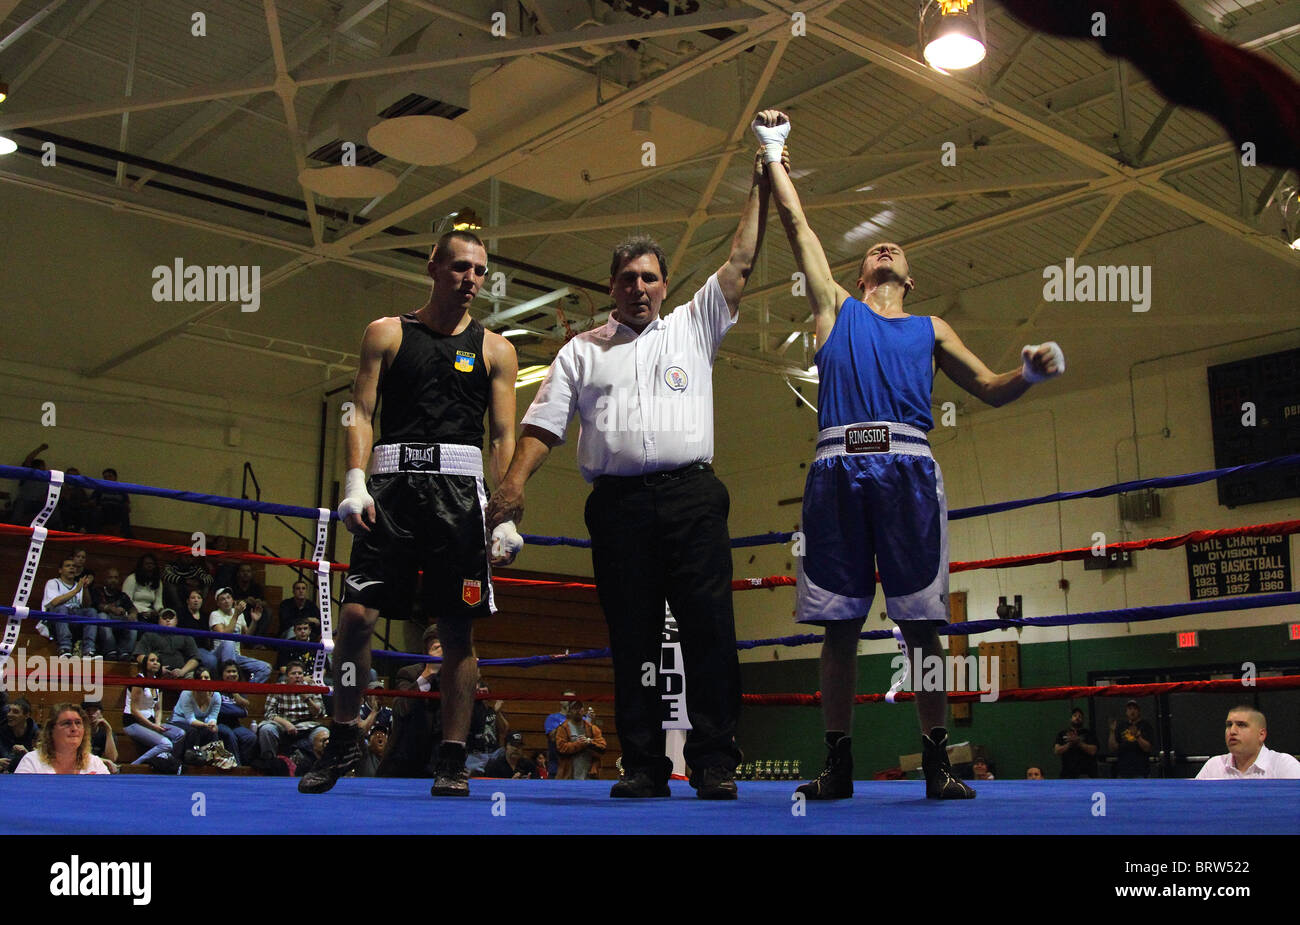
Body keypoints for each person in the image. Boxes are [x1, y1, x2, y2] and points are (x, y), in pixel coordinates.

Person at [754, 109, 1066, 802]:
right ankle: (837, 762)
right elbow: (798, 228)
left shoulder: (931, 326)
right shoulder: (834, 308)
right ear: (860, 271)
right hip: (836, 468)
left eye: (896, 248)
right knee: (838, 625)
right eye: (874, 249)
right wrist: (775, 151)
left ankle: (936, 761)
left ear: (911, 277)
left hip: (908, 472)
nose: (886, 248)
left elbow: (987, 386)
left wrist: (1033, 375)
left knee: (924, 624)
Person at [487, 150, 776, 801]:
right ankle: (644, 762)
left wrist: (762, 179)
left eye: (649, 277)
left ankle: (713, 760)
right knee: (634, 638)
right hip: (618, 508)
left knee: (709, 630)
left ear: (665, 285)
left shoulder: (694, 327)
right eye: (627, 278)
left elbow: (741, 260)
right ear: (611, 287)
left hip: (693, 498)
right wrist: (511, 486)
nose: (638, 286)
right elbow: (543, 426)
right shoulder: (582, 351)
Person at [303, 228, 519, 797]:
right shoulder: (387, 333)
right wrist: (355, 482)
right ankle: (345, 736)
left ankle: (453, 756)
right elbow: (360, 410)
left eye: (478, 270)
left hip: (460, 497)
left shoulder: (497, 349)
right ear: (433, 266)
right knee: (355, 619)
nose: (470, 279)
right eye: (459, 268)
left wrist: (506, 512)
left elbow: (502, 434)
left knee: (457, 631)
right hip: (393, 489)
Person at [378, 625, 444, 779]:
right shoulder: (409, 673)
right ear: (426, 651)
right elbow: (401, 709)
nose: (443, 653)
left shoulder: (455, 677)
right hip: (404, 762)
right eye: (437, 647)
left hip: (439, 764)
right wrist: (428, 674)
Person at [1195, 706, 1300, 779]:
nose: (1232, 731)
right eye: (1229, 725)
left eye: (1241, 725)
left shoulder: (1284, 765)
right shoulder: (1214, 766)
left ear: (1261, 735)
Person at [256, 660, 326, 768]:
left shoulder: (312, 687)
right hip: (283, 724)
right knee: (266, 729)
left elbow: (320, 713)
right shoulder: (277, 688)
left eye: (300, 673)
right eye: (293, 674)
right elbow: (269, 713)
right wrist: (286, 723)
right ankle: (270, 764)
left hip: (307, 725)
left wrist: (307, 699)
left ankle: (322, 768)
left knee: (324, 733)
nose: (297, 676)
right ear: (287, 676)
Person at [123, 652, 186, 765]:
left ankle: (167, 762)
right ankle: (135, 766)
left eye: (157, 661)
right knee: (166, 744)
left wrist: (157, 723)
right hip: (133, 723)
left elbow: (158, 709)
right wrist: (153, 726)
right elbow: (134, 710)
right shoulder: (139, 680)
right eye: (152, 660)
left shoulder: (158, 682)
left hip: (151, 722)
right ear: (145, 663)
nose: (155, 663)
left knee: (180, 733)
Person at [14, 703, 111, 774]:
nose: (74, 729)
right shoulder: (31, 761)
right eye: (67, 723)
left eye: (78, 723)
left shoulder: (95, 764)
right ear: (51, 730)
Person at [208, 587, 272, 683]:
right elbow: (225, 635)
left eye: (228, 597)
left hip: (236, 656)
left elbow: (246, 637)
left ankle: (244, 691)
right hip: (219, 655)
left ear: (233, 600)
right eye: (222, 599)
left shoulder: (239, 614)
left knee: (266, 668)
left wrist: (254, 621)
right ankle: (229, 683)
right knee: (229, 642)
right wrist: (236, 615)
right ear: (218, 603)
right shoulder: (215, 614)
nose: (226, 601)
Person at [42, 555, 100, 657]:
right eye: (68, 566)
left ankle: (89, 650)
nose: (72, 568)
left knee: (91, 611)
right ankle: (65, 648)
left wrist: (85, 588)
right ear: (60, 570)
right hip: (54, 622)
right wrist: (76, 591)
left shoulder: (78, 585)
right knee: (61, 608)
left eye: (74, 566)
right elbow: (54, 602)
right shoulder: (53, 582)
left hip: (74, 620)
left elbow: (86, 605)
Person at [132, 608, 201, 678]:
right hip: (155, 673)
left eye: (171, 618)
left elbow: (195, 658)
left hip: (182, 673)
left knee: (195, 676)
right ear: (159, 621)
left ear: (176, 621)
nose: (168, 620)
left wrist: (182, 671)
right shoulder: (149, 635)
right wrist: (157, 668)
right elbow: (139, 655)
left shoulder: (185, 635)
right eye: (164, 618)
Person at [92, 567, 140, 661]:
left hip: (119, 621)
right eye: (110, 577)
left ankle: (125, 652)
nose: (113, 580)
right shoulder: (97, 591)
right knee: (102, 616)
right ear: (104, 579)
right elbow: (98, 606)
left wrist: (133, 614)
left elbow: (133, 609)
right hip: (104, 621)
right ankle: (110, 651)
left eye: (116, 578)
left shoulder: (122, 595)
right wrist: (111, 609)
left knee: (134, 621)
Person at [216, 660, 257, 765]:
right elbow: (220, 711)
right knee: (229, 735)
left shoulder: (240, 689)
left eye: (234, 672)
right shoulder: (216, 688)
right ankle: (236, 768)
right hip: (218, 723)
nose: (232, 674)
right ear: (222, 674)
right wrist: (236, 710)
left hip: (235, 724)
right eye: (228, 671)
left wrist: (234, 691)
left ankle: (246, 766)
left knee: (250, 737)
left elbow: (244, 711)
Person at [554, 699, 606, 780]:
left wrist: (589, 742)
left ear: (583, 710)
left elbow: (602, 747)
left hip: (590, 775)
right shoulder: (563, 729)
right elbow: (561, 748)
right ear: (570, 711)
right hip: (568, 775)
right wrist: (580, 744)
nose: (578, 711)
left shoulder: (592, 728)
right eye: (575, 708)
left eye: (580, 708)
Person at [1109, 700, 1155, 778]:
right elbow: (1113, 748)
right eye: (1130, 709)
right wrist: (1112, 731)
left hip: (1141, 771)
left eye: (1135, 709)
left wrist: (1137, 737)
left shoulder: (1145, 726)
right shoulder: (1121, 726)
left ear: (1139, 711)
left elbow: (1148, 748)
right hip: (1123, 771)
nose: (1132, 711)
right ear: (1126, 712)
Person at [1055, 707, 1099, 778]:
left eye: (1080, 716)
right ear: (1070, 718)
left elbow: (1093, 751)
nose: (1077, 718)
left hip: (1086, 773)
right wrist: (1070, 743)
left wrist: (1079, 743)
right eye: (1075, 716)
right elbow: (1057, 751)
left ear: (1083, 720)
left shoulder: (1089, 734)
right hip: (1067, 773)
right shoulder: (1062, 733)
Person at [0, 697, 39, 773]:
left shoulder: (35, 732)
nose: (9, 714)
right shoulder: (1, 729)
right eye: (9, 711)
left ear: (27, 715)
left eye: (15, 712)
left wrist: (27, 754)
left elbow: (41, 763)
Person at [121, 554, 165, 621]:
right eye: (147, 564)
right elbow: (126, 601)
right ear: (141, 566)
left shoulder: (157, 581)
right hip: (134, 613)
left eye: (152, 564)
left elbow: (158, 603)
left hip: (150, 613)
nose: (149, 566)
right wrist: (140, 612)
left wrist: (160, 611)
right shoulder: (132, 579)